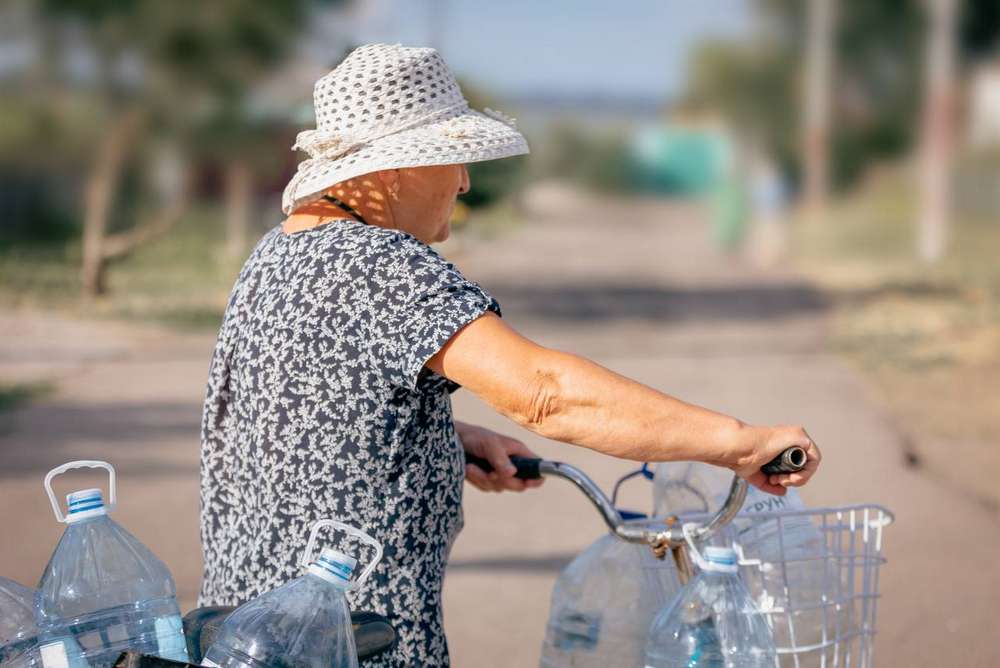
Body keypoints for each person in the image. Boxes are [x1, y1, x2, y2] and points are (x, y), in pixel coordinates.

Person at [198, 43, 821, 667]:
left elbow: (292, 413)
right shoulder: (384, 267)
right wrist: (738, 443)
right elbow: (546, 393)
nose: (465, 179)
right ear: (391, 172)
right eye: (450, 158)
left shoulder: (274, 255)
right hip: (343, 645)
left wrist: (441, 436)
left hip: (244, 637)